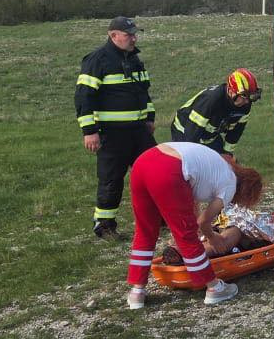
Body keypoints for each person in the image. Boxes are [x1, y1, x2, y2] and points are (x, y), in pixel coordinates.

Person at [125, 142, 263, 309]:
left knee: (144, 231)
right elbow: (203, 221)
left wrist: (198, 227)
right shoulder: (230, 184)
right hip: (169, 167)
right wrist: (213, 237)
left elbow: (191, 198)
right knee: (186, 235)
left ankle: (137, 292)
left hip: (143, 162)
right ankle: (214, 288)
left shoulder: (217, 165)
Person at [76, 16, 155, 240]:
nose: (134, 38)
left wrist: (149, 117)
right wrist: (89, 131)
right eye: (129, 34)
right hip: (112, 133)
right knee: (111, 180)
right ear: (113, 36)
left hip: (139, 131)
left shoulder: (134, 60)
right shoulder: (97, 60)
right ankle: (104, 225)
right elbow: (83, 97)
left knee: (155, 173)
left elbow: (143, 92)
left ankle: (158, 217)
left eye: (134, 34)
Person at [170, 69, 260, 156]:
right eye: (244, 96)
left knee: (224, 165)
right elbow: (192, 132)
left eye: (251, 97)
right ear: (231, 90)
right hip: (184, 129)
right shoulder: (212, 100)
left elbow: (236, 132)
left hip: (209, 136)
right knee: (191, 163)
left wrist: (227, 153)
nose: (247, 101)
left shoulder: (245, 105)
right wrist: (195, 154)